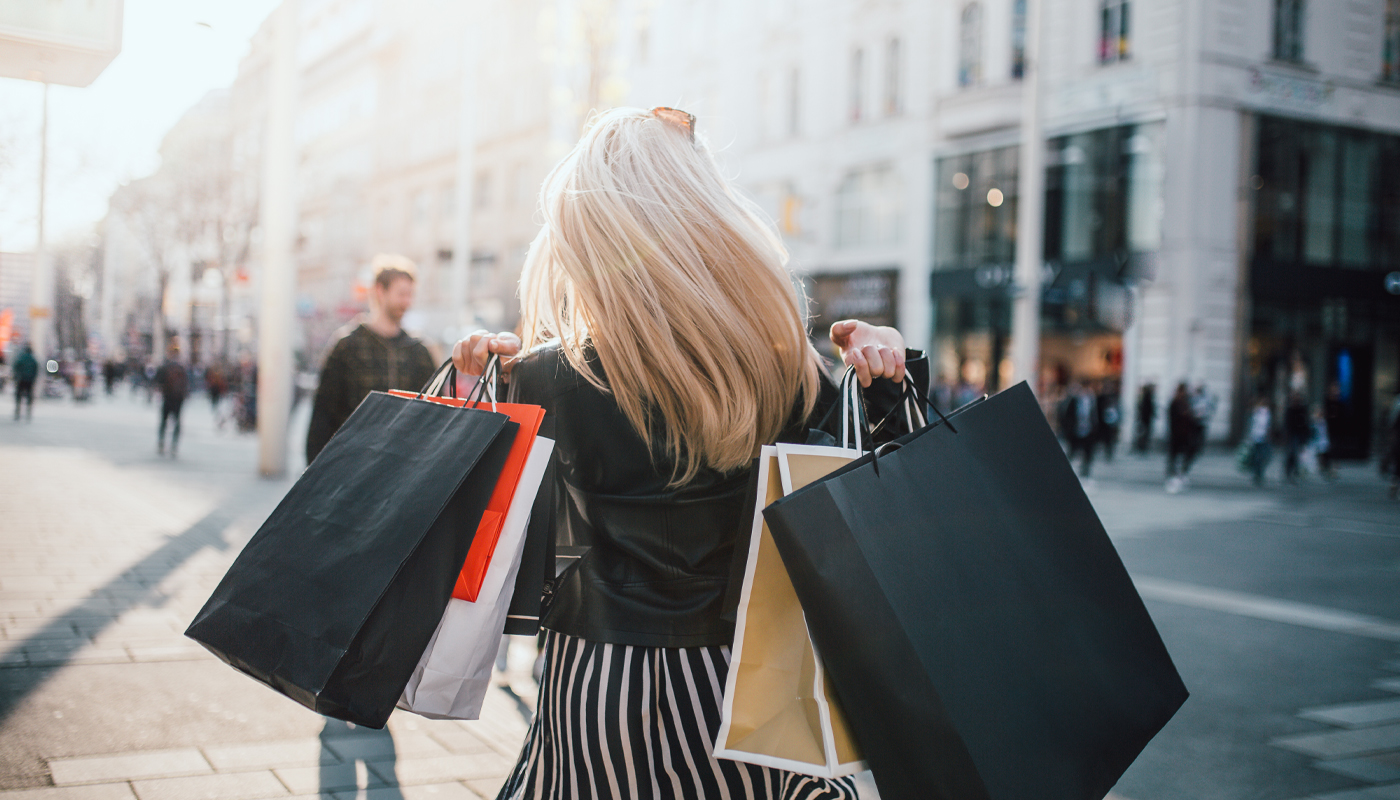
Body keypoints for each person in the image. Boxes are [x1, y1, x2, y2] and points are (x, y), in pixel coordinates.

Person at [449, 107, 922, 800]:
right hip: (748, 685)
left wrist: (479, 385)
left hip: (596, 680)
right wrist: (886, 377)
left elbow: (486, 523)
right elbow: (888, 487)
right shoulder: (781, 366)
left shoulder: (548, 375)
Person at [154, 344, 190, 456]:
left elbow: (157, 381)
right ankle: (174, 445)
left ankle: (161, 442)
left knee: (164, 422)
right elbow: (188, 383)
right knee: (177, 423)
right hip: (178, 399)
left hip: (168, 398)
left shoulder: (165, 366)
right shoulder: (182, 368)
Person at [1061, 379, 1098, 478]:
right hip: (1076, 430)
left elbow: (1095, 416)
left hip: (1089, 430)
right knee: (1072, 451)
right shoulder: (1074, 400)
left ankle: (1085, 468)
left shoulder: (1092, 400)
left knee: (1087, 452)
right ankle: (1066, 470)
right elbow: (1067, 416)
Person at [1165, 382, 1195, 491]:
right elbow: (1173, 418)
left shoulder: (1186, 403)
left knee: (1185, 455)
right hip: (1176, 434)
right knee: (1174, 456)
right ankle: (1173, 476)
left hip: (1185, 434)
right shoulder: (1175, 403)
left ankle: (1180, 474)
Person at [1282, 391, 1310, 482]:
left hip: (1299, 434)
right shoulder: (1290, 409)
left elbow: (1305, 422)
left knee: (1297, 454)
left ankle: (1293, 471)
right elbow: (1287, 423)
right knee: (1292, 453)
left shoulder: (1302, 409)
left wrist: (1305, 434)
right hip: (1292, 434)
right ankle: (1290, 471)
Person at [1246, 395, 1273, 486]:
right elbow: (1252, 425)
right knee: (1258, 456)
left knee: (1263, 456)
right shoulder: (1256, 412)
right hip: (1257, 437)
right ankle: (1257, 473)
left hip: (1262, 437)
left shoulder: (1266, 413)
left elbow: (1267, 426)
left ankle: (1258, 473)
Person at [12, 344, 37, 421]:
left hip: (21, 379)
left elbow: (16, 366)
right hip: (30, 380)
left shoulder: (22, 358)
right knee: (29, 395)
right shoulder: (33, 359)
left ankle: (18, 410)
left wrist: (16, 375)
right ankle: (28, 411)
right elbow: (36, 369)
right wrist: (33, 377)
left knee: (19, 395)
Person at [1097, 379, 1121, 461]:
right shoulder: (1101, 398)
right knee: (1104, 438)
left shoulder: (1114, 397)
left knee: (1110, 439)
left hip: (1111, 422)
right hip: (1103, 422)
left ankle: (1109, 452)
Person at [1134, 382, 1156, 453]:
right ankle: (1141, 446)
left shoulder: (1144, 397)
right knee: (1144, 433)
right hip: (1145, 419)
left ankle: (1141, 446)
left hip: (1143, 418)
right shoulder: (1147, 397)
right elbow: (1147, 408)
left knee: (1143, 433)